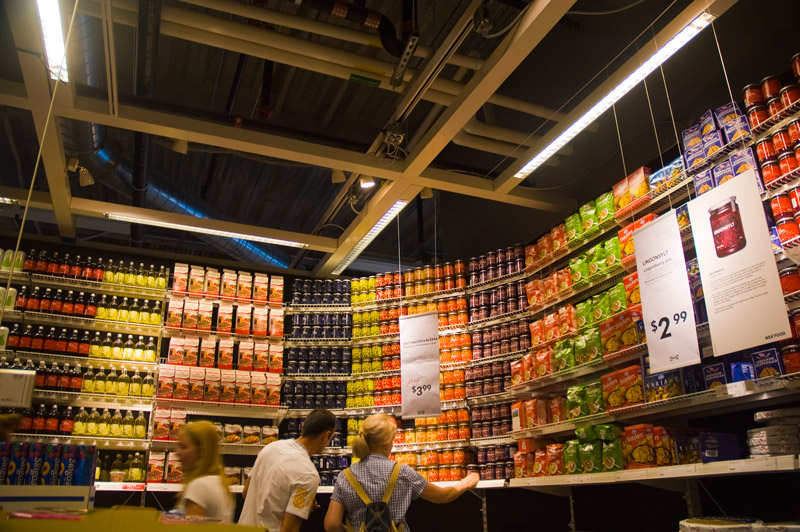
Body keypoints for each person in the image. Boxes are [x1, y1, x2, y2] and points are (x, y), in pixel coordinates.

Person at [323, 413, 479, 532]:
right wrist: (464, 484)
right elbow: (442, 496)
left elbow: (331, 525)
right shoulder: (402, 472)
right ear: (385, 444)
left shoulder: (345, 476)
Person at [239, 408, 337, 532]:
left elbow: (246, 492)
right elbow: (289, 529)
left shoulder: (270, 448)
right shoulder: (308, 475)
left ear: (303, 427)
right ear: (326, 435)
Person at [174, 420, 234, 522]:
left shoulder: (198, 486)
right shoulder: (220, 482)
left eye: (183, 447)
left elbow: (191, 530)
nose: (177, 452)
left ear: (201, 451)